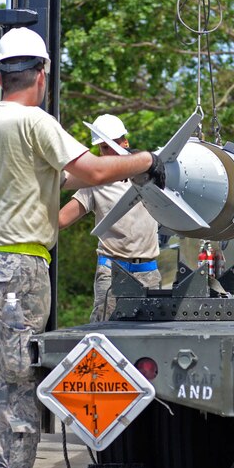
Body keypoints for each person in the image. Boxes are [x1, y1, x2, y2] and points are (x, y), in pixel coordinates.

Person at [0, 27, 164, 468]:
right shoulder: (34, 120)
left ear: (2, 74)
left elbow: (59, 178)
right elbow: (90, 172)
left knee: (4, 377)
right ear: (41, 74)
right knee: (22, 378)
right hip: (17, 267)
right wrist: (148, 161)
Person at [58, 114, 162, 322]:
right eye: (103, 148)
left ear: (125, 142)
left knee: (150, 336)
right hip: (112, 272)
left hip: (149, 272)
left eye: (113, 145)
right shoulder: (93, 182)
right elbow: (60, 220)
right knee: (105, 334)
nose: (109, 151)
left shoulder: (151, 176)